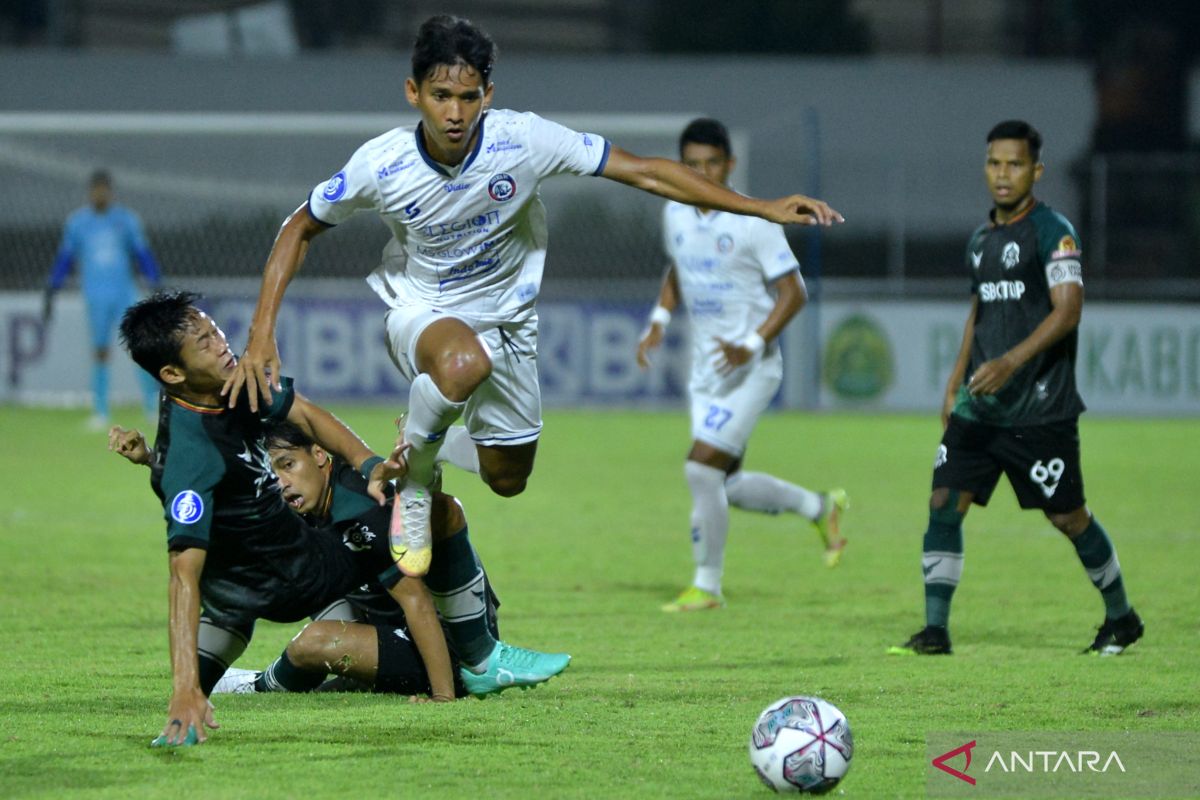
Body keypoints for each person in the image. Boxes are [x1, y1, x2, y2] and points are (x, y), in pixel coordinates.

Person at [222, 14, 844, 580]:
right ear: (413, 93)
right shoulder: (379, 164)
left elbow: (644, 170)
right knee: (464, 363)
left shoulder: (523, 141)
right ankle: (414, 481)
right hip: (422, 312)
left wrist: (758, 207)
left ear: (488, 95)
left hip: (511, 325)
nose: (455, 112)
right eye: (440, 96)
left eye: (469, 97)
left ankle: (426, 434)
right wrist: (260, 332)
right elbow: (300, 224)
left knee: (508, 480)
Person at [114, 291, 568, 746]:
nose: (221, 344)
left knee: (418, 525)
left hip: (405, 627)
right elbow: (183, 567)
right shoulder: (198, 460)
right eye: (204, 342)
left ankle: (478, 658)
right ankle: (219, 698)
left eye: (215, 331)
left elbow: (305, 415)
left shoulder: (240, 397)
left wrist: (370, 466)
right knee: (197, 688)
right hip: (244, 587)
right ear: (173, 373)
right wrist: (184, 689)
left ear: (320, 459)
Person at [888, 120, 1143, 657]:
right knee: (943, 502)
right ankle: (936, 631)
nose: (1003, 174)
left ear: (1036, 170)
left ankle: (1121, 617)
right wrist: (957, 378)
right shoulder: (981, 239)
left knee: (1068, 517)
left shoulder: (1054, 231)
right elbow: (979, 309)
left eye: (1015, 164)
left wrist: (1010, 362)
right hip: (979, 409)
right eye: (994, 163)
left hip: (1039, 409)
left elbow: (1068, 309)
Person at [635, 118, 849, 613]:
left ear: (729, 165)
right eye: (692, 164)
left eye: (711, 163)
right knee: (722, 482)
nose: (703, 173)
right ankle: (820, 507)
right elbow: (678, 269)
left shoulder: (753, 221)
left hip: (753, 369)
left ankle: (707, 586)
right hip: (706, 371)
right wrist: (659, 318)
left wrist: (752, 344)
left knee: (698, 468)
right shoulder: (676, 213)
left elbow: (795, 293)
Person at [209, 419, 512, 697]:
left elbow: (417, 603)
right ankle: (358, 675)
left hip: (452, 652)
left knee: (312, 643)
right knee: (303, 573)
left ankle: (259, 687)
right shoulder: (315, 503)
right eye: (271, 473)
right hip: (400, 630)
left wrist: (443, 695)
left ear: (318, 454)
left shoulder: (363, 510)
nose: (282, 481)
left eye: (287, 464)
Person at [45, 169, 162, 428]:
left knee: (138, 347)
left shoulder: (125, 220)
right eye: (96, 189)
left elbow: (142, 253)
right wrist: (53, 286)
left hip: (124, 293)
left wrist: (155, 281)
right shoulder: (78, 223)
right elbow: (65, 259)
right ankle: (100, 411)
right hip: (96, 295)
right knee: (99, 351)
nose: (100, 194)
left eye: (104, 189)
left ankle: (152, 406)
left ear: (110, 192)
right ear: (90, 192)